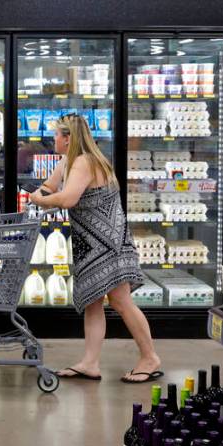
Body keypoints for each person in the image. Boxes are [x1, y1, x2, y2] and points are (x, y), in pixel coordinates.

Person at [29, 113, 162, 383]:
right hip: (91, 243)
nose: (52, 139)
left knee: (121, 301)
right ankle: (90, 363)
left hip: (108, 243)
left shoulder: (85, 162)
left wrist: (40, 201)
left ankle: (150, 358)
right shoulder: (69, 160)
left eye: (56, 135)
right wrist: (37, 194)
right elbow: (50, 186)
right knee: (92, 301)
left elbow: (67, 198)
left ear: (68, 139)